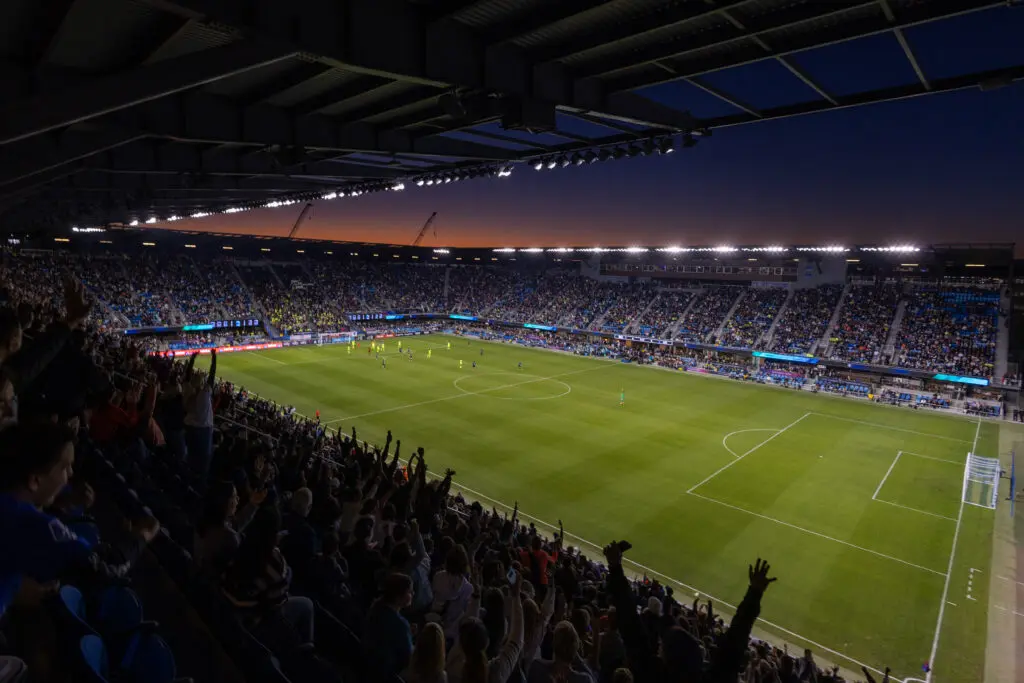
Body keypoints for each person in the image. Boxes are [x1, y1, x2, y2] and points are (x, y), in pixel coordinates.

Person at [0, 423, 160, 618]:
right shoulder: (27, 520)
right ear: (35, 480)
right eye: (65, 467)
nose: (70, 474)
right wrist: (140, 536)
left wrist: (14, 586)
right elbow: (105, 567)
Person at [363, 573, 414, 682]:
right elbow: (407, 658)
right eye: (409, 592)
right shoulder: (400, 624)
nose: (412, 594)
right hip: (390, 674)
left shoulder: (375, 610)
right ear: (398, 597)